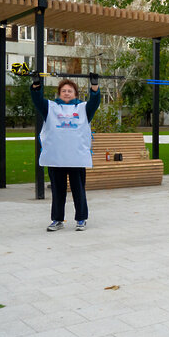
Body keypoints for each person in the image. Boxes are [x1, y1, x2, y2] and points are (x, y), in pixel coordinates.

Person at [31, 74, 100, 232]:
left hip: (76, 158)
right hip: (57, 158)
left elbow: (95, 102)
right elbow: (37, 100)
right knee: (58, 191)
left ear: (75, 94)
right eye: (63, 91)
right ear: (59, 93)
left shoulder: (83, 108)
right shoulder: (50, 108)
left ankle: (81, 219)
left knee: (78, 190)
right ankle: (57, 219)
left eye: (70, 91)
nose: (67, 93)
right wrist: (36, 84)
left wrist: (94, 86)